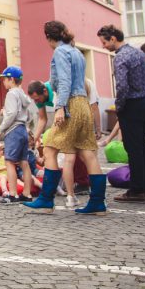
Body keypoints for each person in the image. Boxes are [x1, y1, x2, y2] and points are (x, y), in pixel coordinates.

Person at [24, 21, 107, 215]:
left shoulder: (60, 52)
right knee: (87, 153)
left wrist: (60, 107)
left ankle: (46, 200)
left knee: (50, 146)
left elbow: (64, 81)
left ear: (48, 37)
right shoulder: (76, 52)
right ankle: (98, 203)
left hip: (70, 103)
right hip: (83, 103)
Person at [98, 25, 145, 202]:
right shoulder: (139, 53)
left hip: (132, 105)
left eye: (104, 42)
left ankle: (137, 189)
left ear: (113, 39)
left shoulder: (120, 57)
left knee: (133, 149)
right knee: (143, 147)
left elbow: (122, 85)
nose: (103, 46)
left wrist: (119, 106)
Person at [0, 66, 33, 204]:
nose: (3, 82)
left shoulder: (11, 94)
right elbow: (27, 115)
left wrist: (0, 128)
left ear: (11, 79)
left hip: (13, 130)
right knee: (24, 162)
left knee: (9, 162)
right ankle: (27, 194)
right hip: (22, 129)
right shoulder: (22, 94)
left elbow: (11, 114)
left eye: (4, 79)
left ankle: (12, 194)